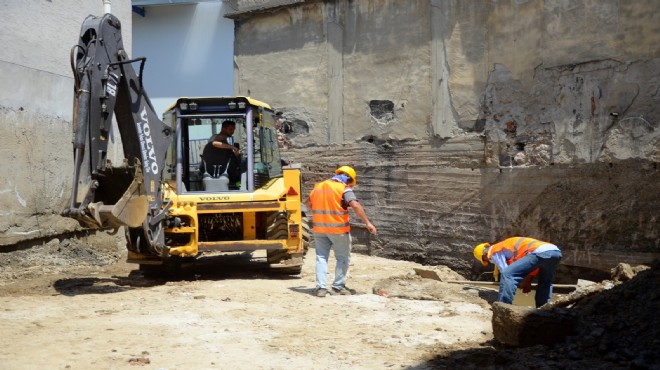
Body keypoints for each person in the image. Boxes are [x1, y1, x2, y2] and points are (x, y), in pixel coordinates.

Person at [304, 166, 378, 297]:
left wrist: (319, 211)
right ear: (348, 179)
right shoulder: (344, 188)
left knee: (321, 258)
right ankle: (337, 287)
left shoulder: (319, 186)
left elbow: (307, 203)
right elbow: (354, 204)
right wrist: (367, 222)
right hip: (338, 230)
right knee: (342, 257)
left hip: (319, 229)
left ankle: (321, 288)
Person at [473, 236, 563, 308]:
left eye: (486, 260)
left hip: (538, 252)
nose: (489, 261)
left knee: (507, 274)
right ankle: (544, 309)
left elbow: (506, 271)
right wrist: (527, 281)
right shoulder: (506, 247)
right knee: (545, 282)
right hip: (555, 252)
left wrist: (515, 281)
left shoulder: (493, 251)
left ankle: (503, 307)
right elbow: (533, 265)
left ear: (484, 255)